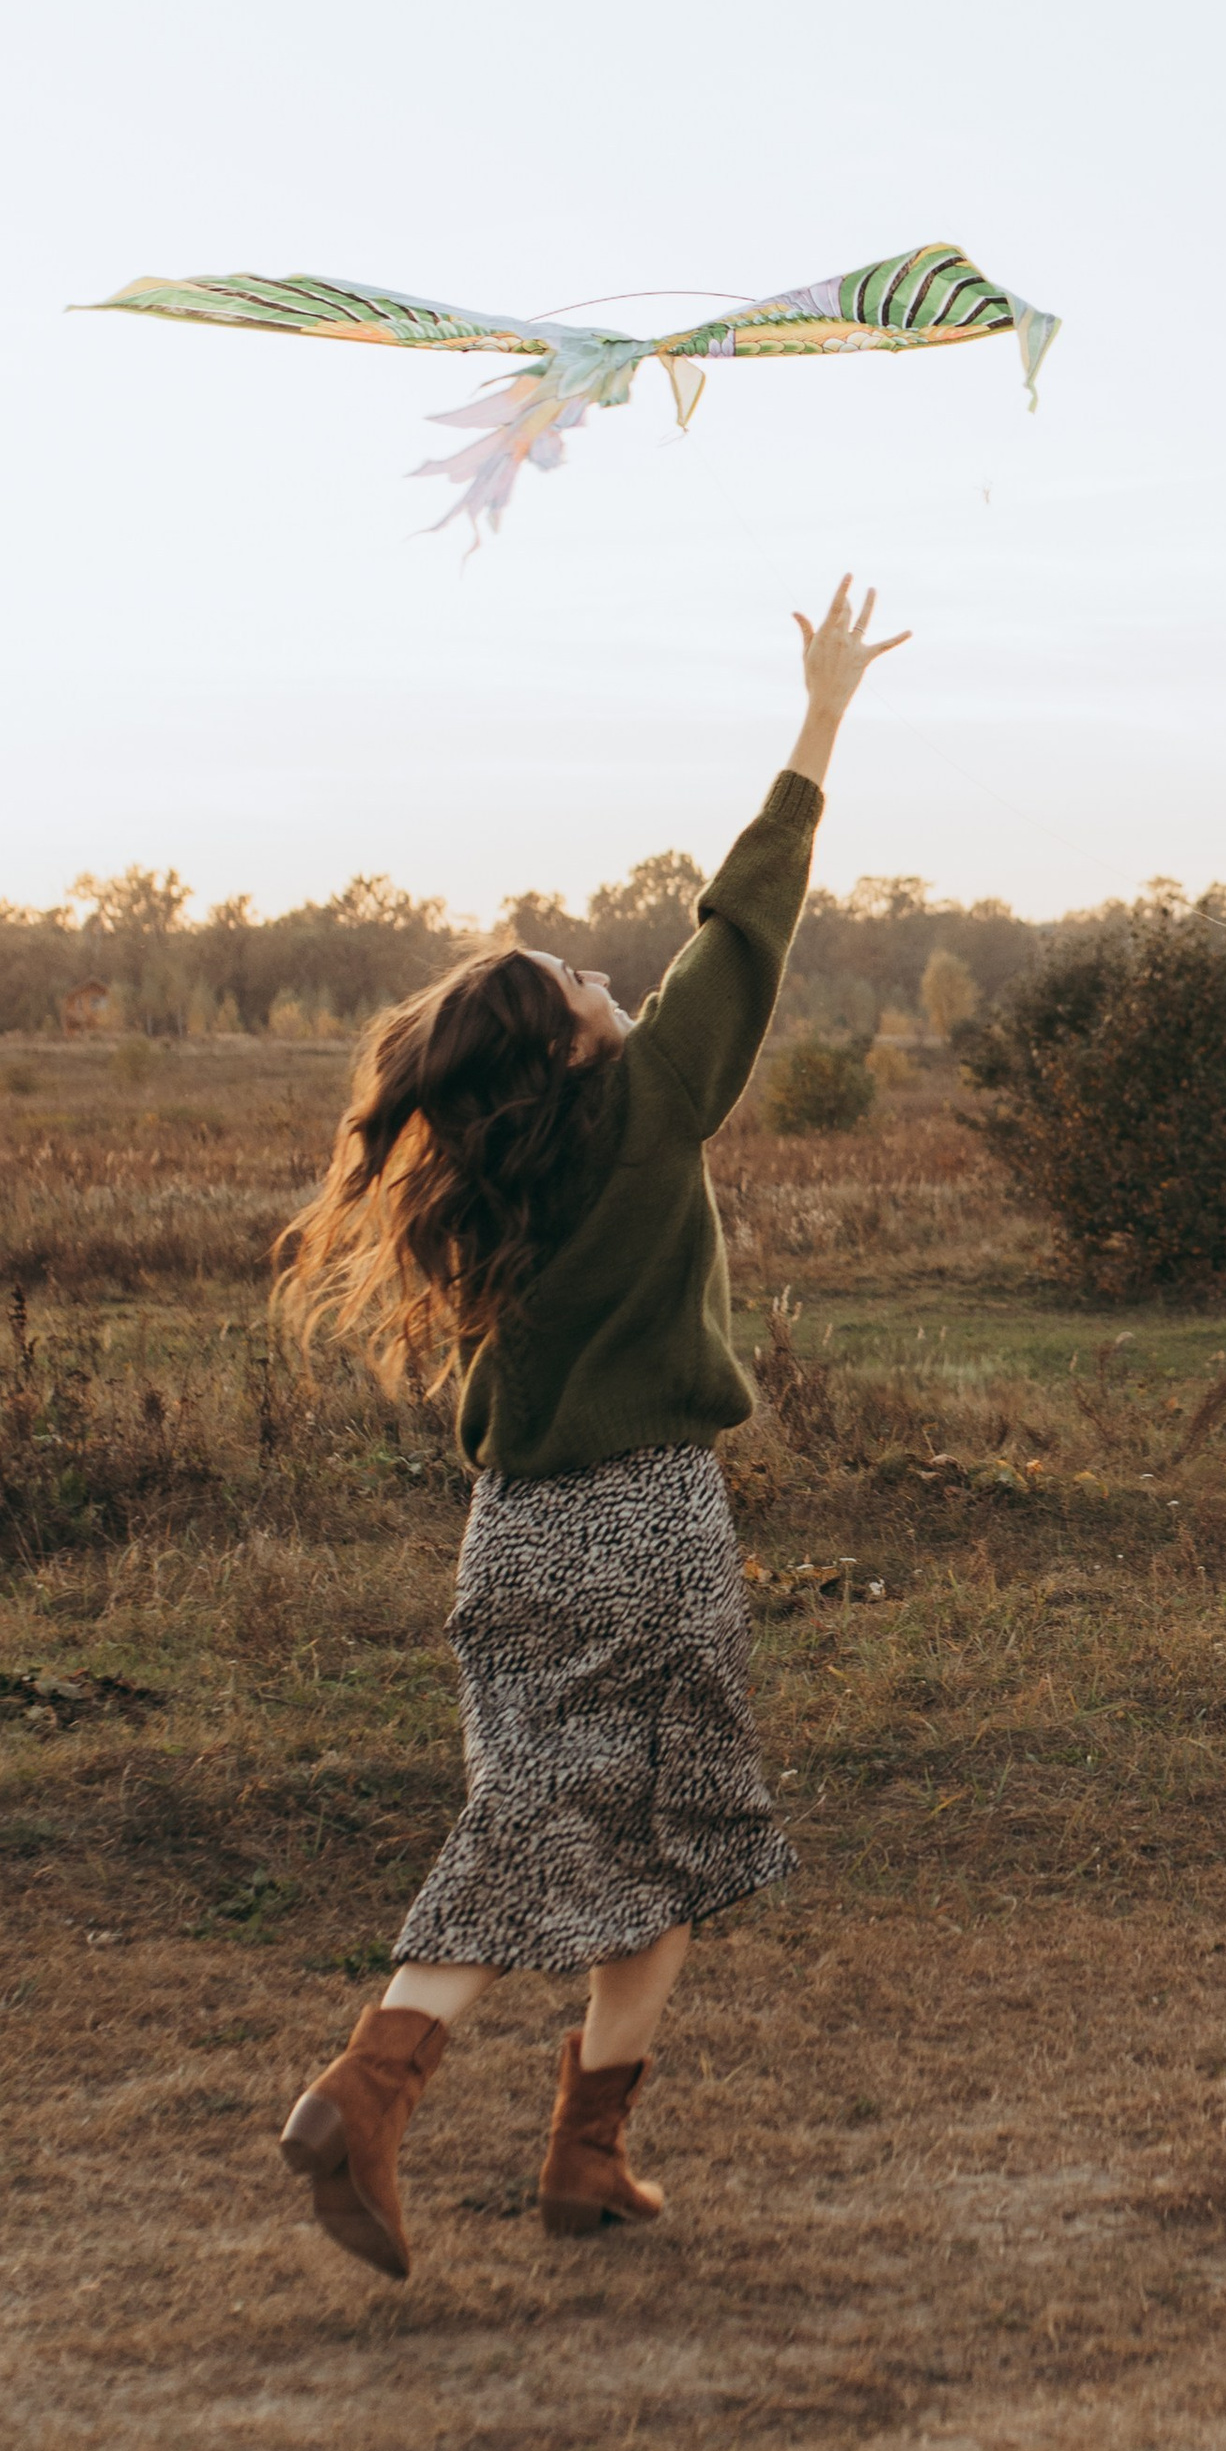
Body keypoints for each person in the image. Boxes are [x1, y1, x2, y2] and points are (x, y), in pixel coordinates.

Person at [271, 577, 908, 2277]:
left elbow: (716, 940)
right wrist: (822, 715)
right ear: (568, 1045)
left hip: (515, 1537)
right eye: (579, 975)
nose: (608, 971)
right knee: (608, 1821)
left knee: (608, 1822)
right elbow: (748, 924)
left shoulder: (497, 1181)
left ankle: (585, 2156)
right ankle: (372, 2086)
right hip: (644, 1524)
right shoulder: (647, 1103)